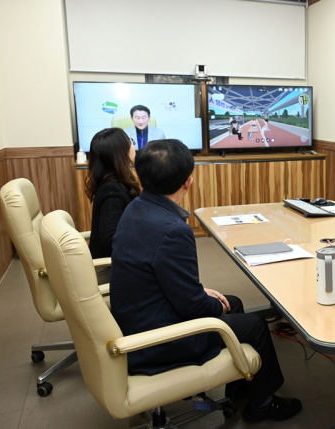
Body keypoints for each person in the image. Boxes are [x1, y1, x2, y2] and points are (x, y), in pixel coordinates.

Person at [110, 139, 302, 423]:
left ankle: (242, 386)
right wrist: (211, 303)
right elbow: (191, 307)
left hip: (136, 318)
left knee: (233, 302)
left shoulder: (136, 207)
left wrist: (204, 294)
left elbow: (163, 277)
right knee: (256, 325)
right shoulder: (173, 230)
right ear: (188, 182)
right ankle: (262, 404)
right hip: (157, 340)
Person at [85, 127, 140, 283]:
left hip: (117, 265)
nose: (132, 145)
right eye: (129, 142)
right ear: (120, 152)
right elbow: (111, 239)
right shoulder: (112, 190)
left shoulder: (115, 182)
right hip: (109, 270)